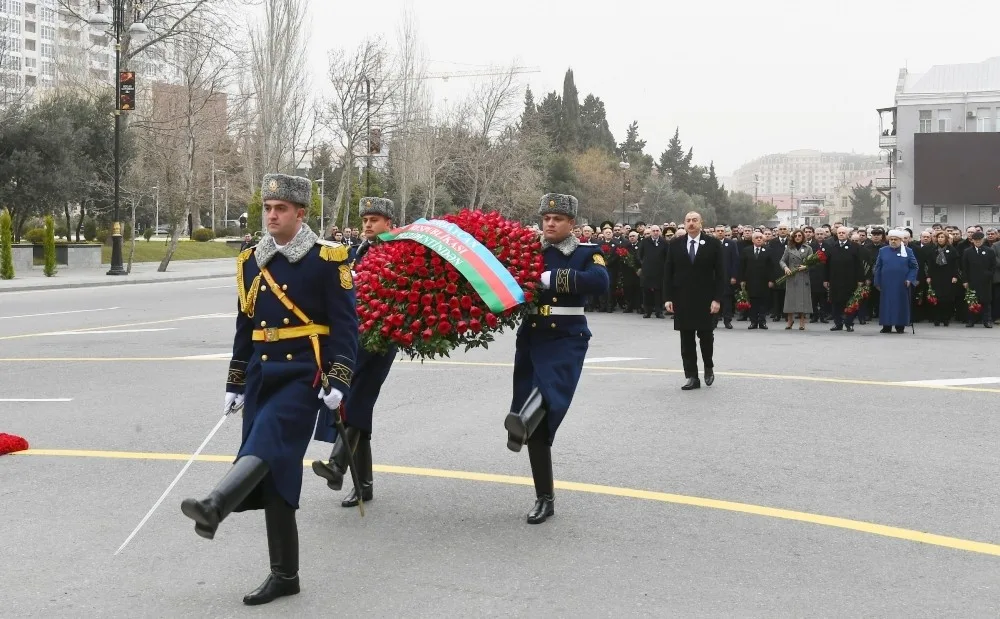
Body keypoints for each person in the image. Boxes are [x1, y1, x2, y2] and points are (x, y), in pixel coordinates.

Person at [181, 174, 358, 605]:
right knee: (277, 472)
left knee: (267, 439)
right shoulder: (250, 260)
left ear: (301, 213)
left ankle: (215, 505)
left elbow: (345, 327)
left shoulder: (327, 259)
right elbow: (245, 326)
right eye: (267, 208)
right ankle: (285, 574)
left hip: (304, 376)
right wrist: (236, 381)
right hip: (263, 375)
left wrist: (338, 379)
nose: (272, 215)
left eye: (281, 209)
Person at [504, 193, 609, 524]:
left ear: (571, 224)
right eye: (546, 218)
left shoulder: (586, 252)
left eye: (557, 219)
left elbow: (600, 282)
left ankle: (521, 420)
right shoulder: (528, 250)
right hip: (532, 337)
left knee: (549, 394)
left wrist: (554, 279)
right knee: (539, 428)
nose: (550, 223)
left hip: (566, 338)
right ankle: (544, 498)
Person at [312, 197, 399, 507]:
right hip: (355, 339)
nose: (368, 225)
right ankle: (364, 485)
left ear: (389, 223)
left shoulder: (396, 251)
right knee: (354, 405)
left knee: (358, 400)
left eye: (374, 220)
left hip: (381, 339)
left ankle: (338, 465)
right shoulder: (357, 251)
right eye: (365, 220)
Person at [663, 211, 727, 391]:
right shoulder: (675, 244)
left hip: (706, 299)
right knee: (686, 340)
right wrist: (667, 298)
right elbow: (668, 272)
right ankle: (691, 376)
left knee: (706, 337)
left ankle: (708, 366)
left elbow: (721, 274)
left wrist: (717, 299)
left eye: (694, 220)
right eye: (688, 220)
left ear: (701, 223)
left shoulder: (713, 244)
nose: (691, 223)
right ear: (684, 224)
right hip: (682, 298)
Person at [873, 230, 919, 334]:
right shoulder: (883, 250)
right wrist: (877, 281)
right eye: (891, 239)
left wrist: (909, 279)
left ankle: (900, 326)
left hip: (901, 283)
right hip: (886, 283)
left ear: (901, 240)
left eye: (895, 239)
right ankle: (886, 326)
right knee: (886, 304)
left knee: (900, 304)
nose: (893, 241)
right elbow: (878, 267)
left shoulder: (908, 251)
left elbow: (914, 267)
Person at [824, 226, 864, 332]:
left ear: (847, 234)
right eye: (839, 233)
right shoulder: (832, 247)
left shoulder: (855, 247)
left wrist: (860, 280)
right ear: (836, 234)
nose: (841, 234)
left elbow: (859, 265)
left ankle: (849, 323)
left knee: (850, 303)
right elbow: (826, 265)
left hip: (850, 280)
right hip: (835, 280)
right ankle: (838, 323)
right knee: (835, 303)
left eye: (843, 233)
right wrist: (826, 279)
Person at [778, 229, 814, 330]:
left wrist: (806, 266)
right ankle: (790, 320)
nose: (797, 237)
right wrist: (785, 268)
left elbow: (813, 262)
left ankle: (802, 321)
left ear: (803, 237)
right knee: (790, 299)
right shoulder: (789, 248)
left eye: (799, 235)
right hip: (791, 276)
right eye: (795, 236)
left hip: (803, 276)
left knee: (802, 299)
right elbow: (782, 261)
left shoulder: (808, 248)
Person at [739, 231, 775, 330]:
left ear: (763, 240)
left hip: (764, 281)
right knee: (752, 302)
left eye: (760, 238)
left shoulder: (768, 250)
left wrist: (771, 280)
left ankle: (762, 322)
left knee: (763, 302)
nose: (759, 239)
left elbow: (772, 267)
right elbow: (742, 266)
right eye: (757, 238)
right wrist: (742, 279)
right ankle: (753, 322)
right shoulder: (746, 250)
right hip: (750, 280)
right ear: (752, 240)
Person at [961, 231, 995, 328]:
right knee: (972, 300)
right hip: (972, 280)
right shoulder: (967, 251)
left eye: (979, 240)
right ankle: (971, 320)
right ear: (972, 240)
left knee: (986, 301)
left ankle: (987, 321)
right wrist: (965, 281)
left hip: (985, 281)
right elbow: (964, 267)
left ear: (983, 240)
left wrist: (989, 275)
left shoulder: (989, 251)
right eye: (976, 240)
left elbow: (993, 266)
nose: (978, 242)